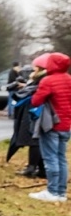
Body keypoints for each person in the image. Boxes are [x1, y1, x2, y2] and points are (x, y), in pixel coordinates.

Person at [29, 51, 70, 201]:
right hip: (66, 125)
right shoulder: (69, 79)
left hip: (51, 124)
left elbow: (36, 101)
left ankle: (52, 191)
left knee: (50, 158)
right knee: (61, 158)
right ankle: (61, 192)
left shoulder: (48, 81)